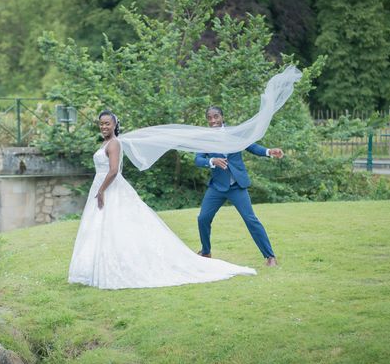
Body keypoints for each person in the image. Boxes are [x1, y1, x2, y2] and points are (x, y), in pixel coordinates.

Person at [68, 110, 257, 290]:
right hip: (103, 187)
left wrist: (101, 190)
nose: (103, 126)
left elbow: (114, 170)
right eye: (101, 124)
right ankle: (98, 268)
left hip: (108, 188)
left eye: (107, 123)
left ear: (115, 124)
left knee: (115, 225)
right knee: (103, 227)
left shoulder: (114, 143)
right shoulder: (105, 144)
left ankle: (117, 267)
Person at [195, 106, 283, 267]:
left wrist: (269, 151)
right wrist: (211, 161)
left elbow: (252, 147)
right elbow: (198, 159)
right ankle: (206, 252)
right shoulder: (205, 139)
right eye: (210, 118)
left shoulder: (235, 133)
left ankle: (270, 257)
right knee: (203, 218)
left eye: (216, 116)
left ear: (222, 116)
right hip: (217, 188)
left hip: (237, 186)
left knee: (251, 219)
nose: (213, 120)